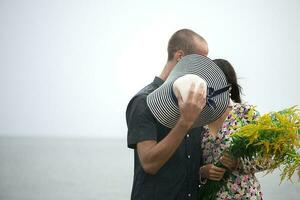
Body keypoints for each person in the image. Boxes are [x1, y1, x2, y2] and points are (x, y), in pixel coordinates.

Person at [126, 29, 209, 200]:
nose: (204, 68)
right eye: (200, 60)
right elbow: (149, 163)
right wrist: (185, 122)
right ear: (180, 57)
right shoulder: (144, 101)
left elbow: (187, 163)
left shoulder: (195, 102)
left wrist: (203, 171)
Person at [199, 59, 266, 199]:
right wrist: (201, 172)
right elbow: (187, 161)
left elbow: (267, 157)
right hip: (210, 196)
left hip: (244, 194)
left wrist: (239, 163)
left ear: (228, 86)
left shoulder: (245, 113)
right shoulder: (197, 119)